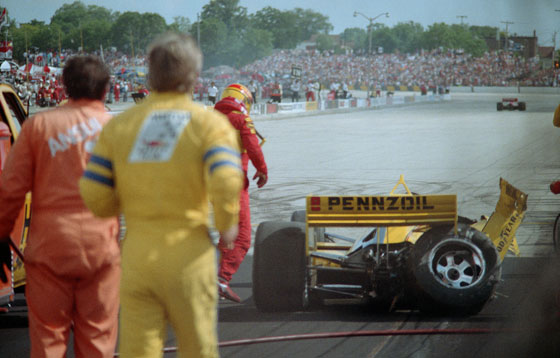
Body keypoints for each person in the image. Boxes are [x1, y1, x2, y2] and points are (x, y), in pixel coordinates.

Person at [79, 32, 243, 358]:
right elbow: (226, 180)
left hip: (137, 258)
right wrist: (227, 226)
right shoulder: (210, 124)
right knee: (198, 348)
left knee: (138, 350)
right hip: (190, 259)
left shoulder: (119, 126)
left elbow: (95, 195)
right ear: (194, 76)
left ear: (150, 74)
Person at [0, 55, 121, 358]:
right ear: (106, 89)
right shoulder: (119, 129)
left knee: (49, 341)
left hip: (49, 249)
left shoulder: (39, 125)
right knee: (97, 340)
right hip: (101, 248)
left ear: (63, 86)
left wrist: (2, 233)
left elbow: (10, 191)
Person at [214, 83, 268, 303]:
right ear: (244, 101)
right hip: (234, 183)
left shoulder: (207, 119)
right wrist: (263, 171)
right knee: (243, 237)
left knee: (227, 233)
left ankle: (210, 273)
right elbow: (254, 148)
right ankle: (222, 279)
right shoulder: (241, 120)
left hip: (211, 184)